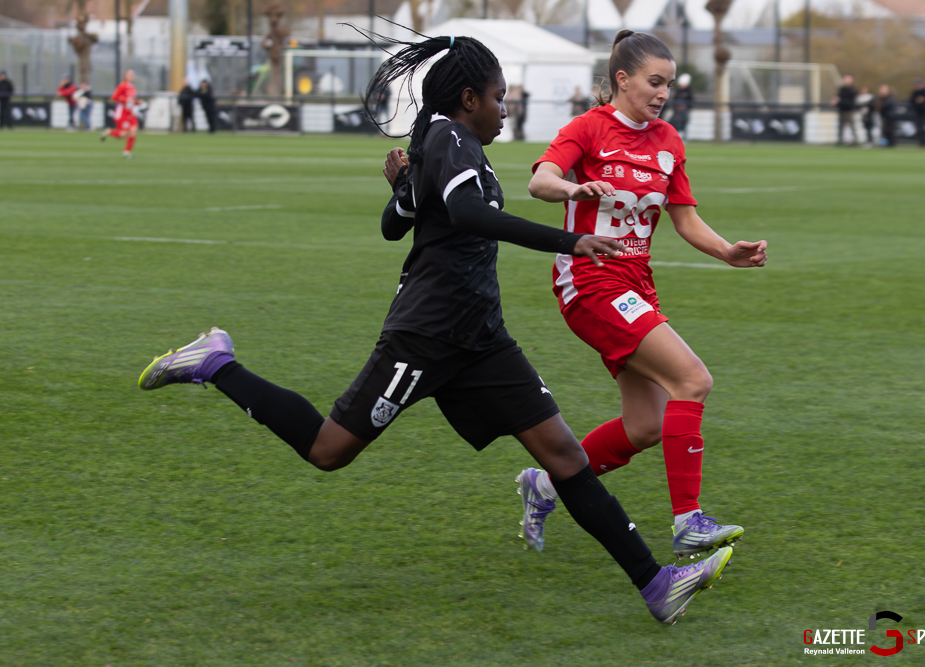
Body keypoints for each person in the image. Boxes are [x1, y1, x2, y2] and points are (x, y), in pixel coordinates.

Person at [137, 32, 732, 625]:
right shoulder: (449, 136)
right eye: (499, 99)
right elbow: (471, 215)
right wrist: (571, 238)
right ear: (469, 98)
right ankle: (215, 362)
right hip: (426, 335)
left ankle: (657, 585)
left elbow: (396, 223)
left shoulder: (444, 144)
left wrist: (404, 187)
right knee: (328, 450)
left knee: (564, 455)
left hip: (481, 338)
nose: (505, 110)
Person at [518, 30, 766, 562]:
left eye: (669, 85)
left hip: (635, 285)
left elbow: (685, 218)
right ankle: (689, 522)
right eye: (654, 82)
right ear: (622, 79)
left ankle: (545, 484)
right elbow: (540, 181)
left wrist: (727, 252)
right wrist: (573, 188)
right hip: (589, 280)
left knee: (646, 425)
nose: (662, 93)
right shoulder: (587, 128)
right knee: (692, 379)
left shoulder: (668, 141)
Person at [101, 69, 139, 157]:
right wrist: (125, 99)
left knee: (134, 130)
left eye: (132, 75)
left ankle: (126, 152)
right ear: (125, 76)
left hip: (130, 113)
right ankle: (108, 131)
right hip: (122, 113)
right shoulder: (122, 86)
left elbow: (132, 101)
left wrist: (137, 102)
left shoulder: (133, 87)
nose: (131, 76)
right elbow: (114, 98)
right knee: (123, 134)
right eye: (129, 75)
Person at [832, 74, 858, 145]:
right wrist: (835, 101)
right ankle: (840, 141)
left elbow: (849, 100)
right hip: (841, 110)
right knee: (840, 127)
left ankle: (855, 140)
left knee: (852, 126)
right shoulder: (842, 89)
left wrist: (839, 101)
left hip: (849, 110)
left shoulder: (853, 89)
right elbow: (838, 97)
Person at [667, 72, 693, 139]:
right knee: (673, 122)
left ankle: (684, 137)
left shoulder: (689, 91)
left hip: (684, 112)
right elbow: (674, 99)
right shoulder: (678, 91)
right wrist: (676, 108)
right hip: (677, 111)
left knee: (684, 123)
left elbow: (691, 101)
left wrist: (685, 107)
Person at [909, 78, 925, 148]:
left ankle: (924, 143)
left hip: (924, 113)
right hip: (917, 113)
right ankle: (920, 143)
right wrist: (917, 100)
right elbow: (911, 101)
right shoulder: (915, 92)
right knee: (918, 128)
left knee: (923, 128)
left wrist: (921, 100)